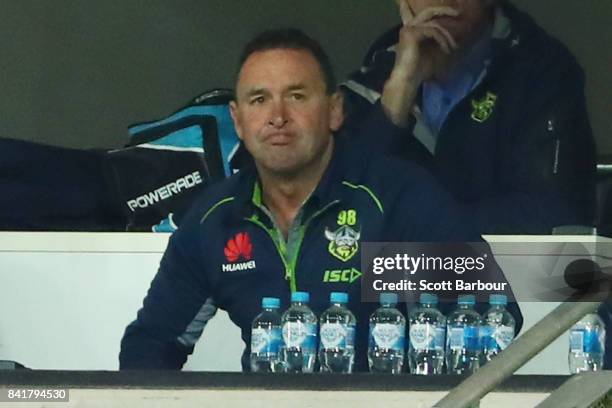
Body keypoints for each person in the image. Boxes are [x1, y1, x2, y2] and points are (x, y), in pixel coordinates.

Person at [119, 28, 521, 371]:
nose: (277, 116)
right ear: (238, 121)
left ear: (333, 111)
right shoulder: (214, 219)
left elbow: (495, 319)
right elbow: (151, 342)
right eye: (259, 100)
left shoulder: (395, 198)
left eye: (296, 96)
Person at [342, 0, 597, 235]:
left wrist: (423, 228)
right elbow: (342, 215)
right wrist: (399, 93)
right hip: (395, 279)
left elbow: (554, 216)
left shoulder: (543, 70)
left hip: (507, 279)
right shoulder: (378, 71)